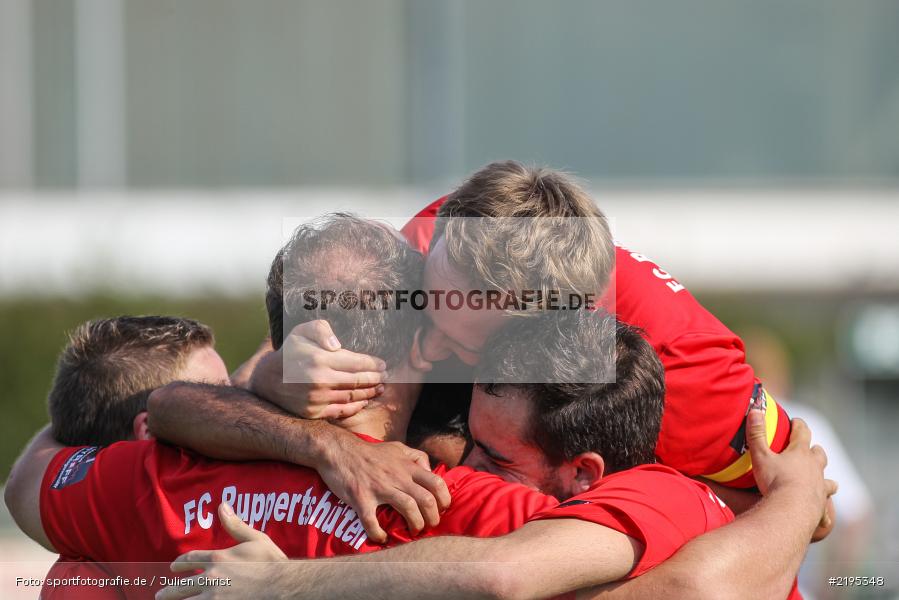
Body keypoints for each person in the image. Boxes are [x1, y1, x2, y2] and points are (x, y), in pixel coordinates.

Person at [6, 216, 736, 599]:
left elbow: (29, 482)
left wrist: (228, 397)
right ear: (420, 344)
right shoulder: (472, 511)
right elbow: (704, 576)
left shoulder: (155, 479)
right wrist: (789, 493)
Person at [262, 161, 795, 496]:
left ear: (542, 341)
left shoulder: (688, 376)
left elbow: (806, 510)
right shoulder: (441, 235)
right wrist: (280, 379)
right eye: (425, 304)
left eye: (459, 343)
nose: (427, 344)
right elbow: (235, 389)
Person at [157, 407, 831, 600]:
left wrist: (281, 584)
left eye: (495, 456)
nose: (468, 472)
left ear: (584, 474)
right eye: (466, 448)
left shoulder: (661, 495)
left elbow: (502, 574)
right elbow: (171, 405)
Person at [31, 315, 231, 600]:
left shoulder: (78, 568)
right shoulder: (215, 546)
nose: (238, 411)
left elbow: (25, 479)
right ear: (149, 431)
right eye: (220, 399)